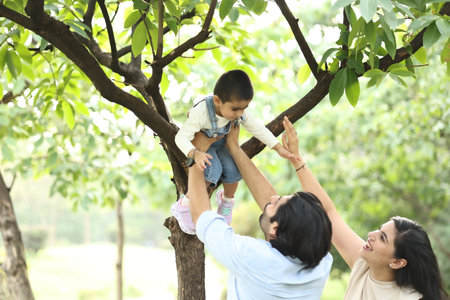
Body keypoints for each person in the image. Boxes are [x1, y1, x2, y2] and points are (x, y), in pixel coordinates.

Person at [280, 116, 448, 300]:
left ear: (398, 262)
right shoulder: (364, 265)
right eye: (378, 230)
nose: (371, 235)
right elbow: (327, 213)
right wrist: (296, 159)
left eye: (382, 238)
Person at [184, 122, 333, 299]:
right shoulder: (319, 264)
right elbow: (274, 207)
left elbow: (202, 217)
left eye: (276, 203)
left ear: (275, 230)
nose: (273, 198)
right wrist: (234, 147)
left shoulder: (252, 257)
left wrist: (197, 152)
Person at [173, 69, 297, 234]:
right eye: (235, 109)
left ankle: (226, 201)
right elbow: (180, 138)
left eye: (244, 108)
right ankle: (185, 204)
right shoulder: (201, 113)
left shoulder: (239, 113)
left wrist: (278, 147)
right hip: (201, 147)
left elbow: (257, 128)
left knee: (233, 169)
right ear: (217, 100)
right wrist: (195, 153)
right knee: (213, 169)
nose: (240, 114)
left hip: (222, 144)